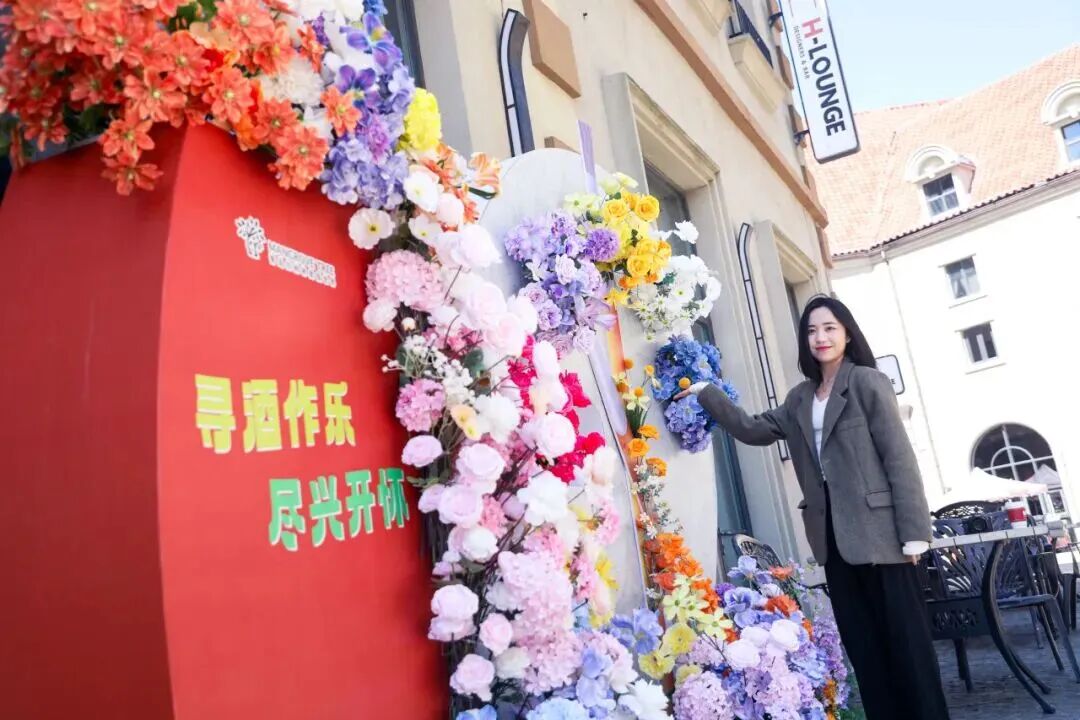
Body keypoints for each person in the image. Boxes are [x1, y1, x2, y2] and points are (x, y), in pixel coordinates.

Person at [678, 295, 949, 720]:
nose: (820, 337)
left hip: (886, 541)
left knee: (909, 653)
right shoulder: (800, 398)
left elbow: (899, 457)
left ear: (847, 334)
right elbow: (752, 430)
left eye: (829, 328)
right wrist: (706, 393)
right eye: (811, 330)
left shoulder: (867, 382)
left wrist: (914, 532)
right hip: (833, 544)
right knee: (867, 655)